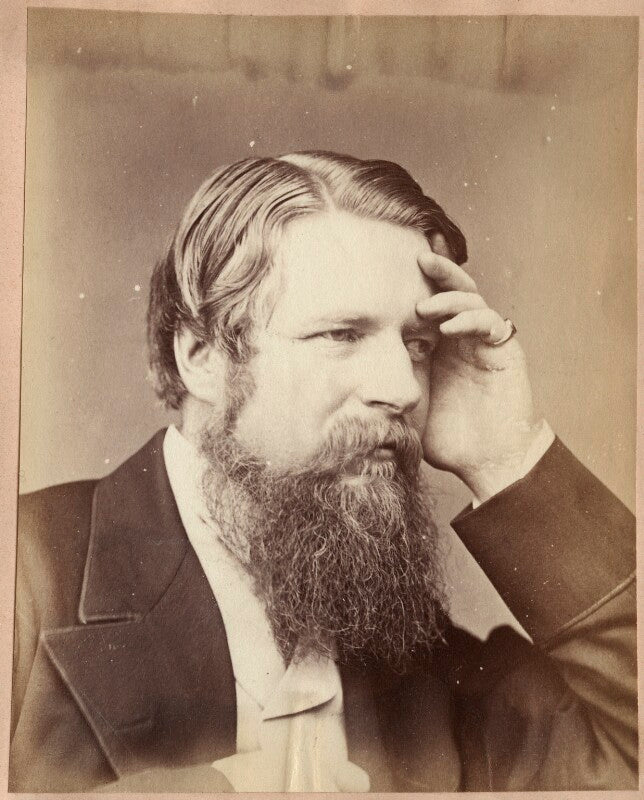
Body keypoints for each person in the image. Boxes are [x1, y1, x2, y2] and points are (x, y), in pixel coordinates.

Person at [10, 151, 636, 792]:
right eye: (341, 335)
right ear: (201, 356)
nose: (403, 388)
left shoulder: (424, 663)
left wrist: (509, 457)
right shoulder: (25, 572)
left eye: (416, 345)